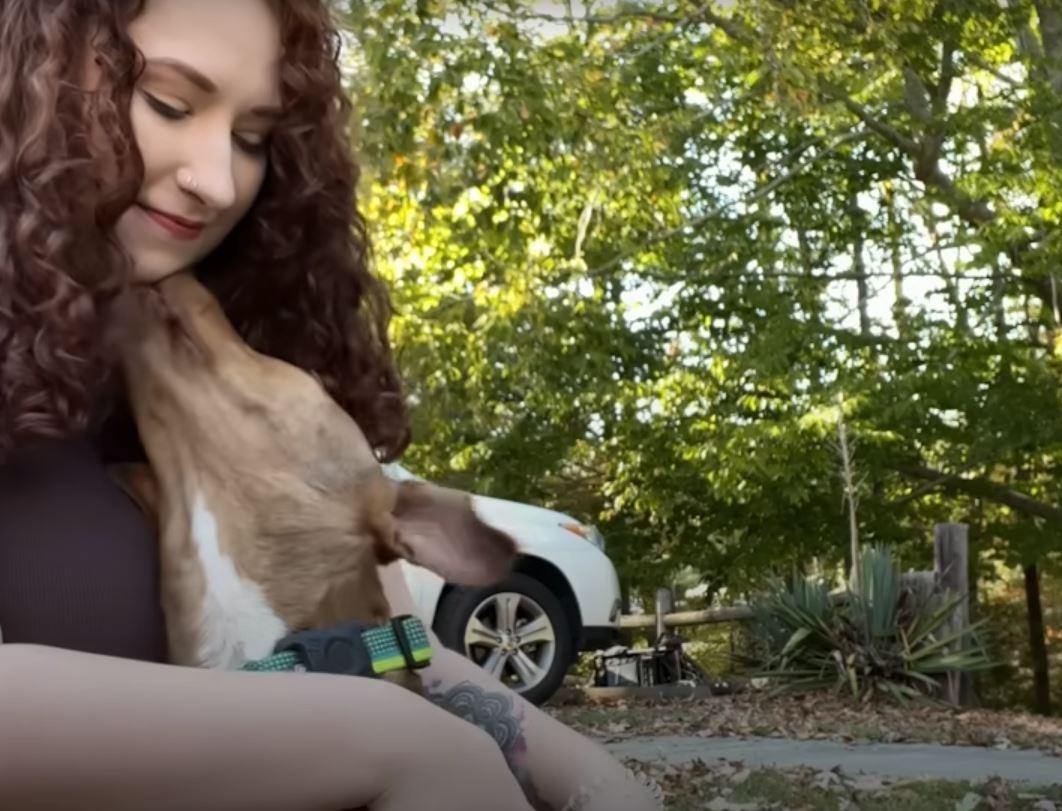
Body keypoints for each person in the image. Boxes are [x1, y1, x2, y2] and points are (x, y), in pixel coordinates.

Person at [0, 1, 663, 810]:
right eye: (170, 102)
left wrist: (597, 778)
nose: (216, 180)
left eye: (252, 138)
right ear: (34, 77)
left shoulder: (214, 362)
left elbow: (381, 646)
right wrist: (383, 738)